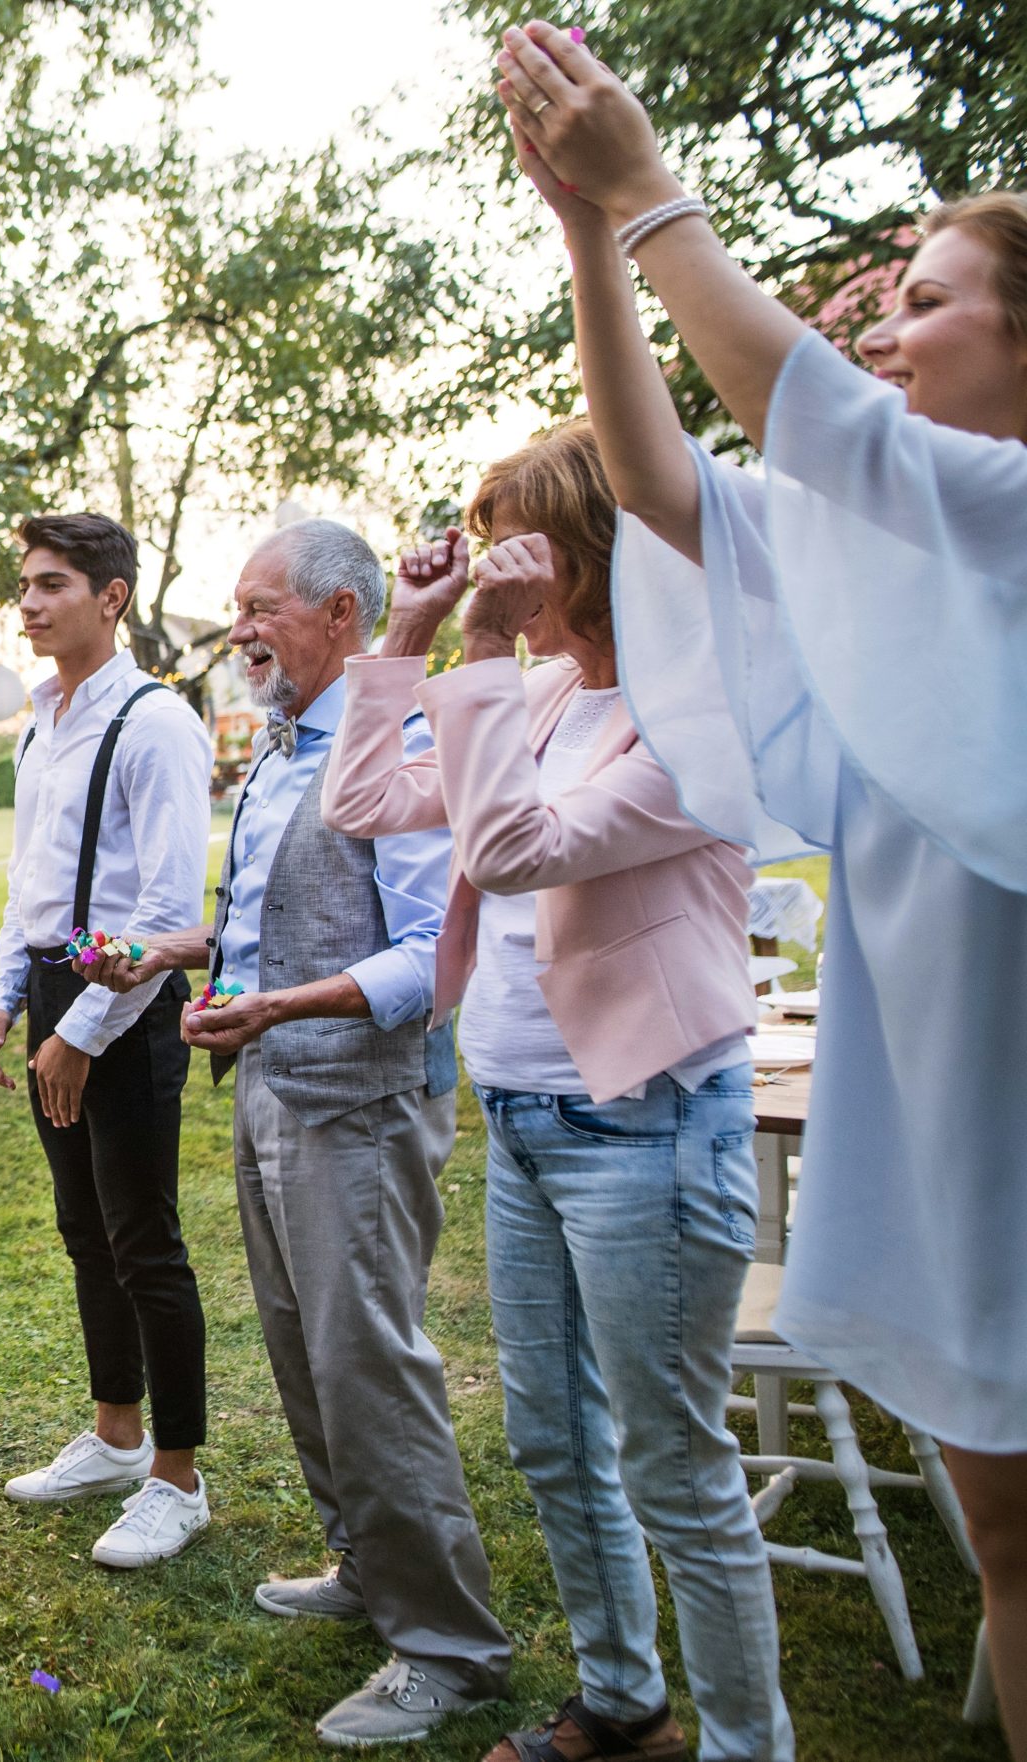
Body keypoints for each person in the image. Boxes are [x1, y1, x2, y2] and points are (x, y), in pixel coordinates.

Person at [498, 21, 1027, 1750]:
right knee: (1013, 1538)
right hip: (957, 1115)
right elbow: (661, 488)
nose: (885, 326)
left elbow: (821, 421)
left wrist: (655, 188)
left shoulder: (1005, 517)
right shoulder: (885, 558)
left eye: (928, 298)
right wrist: (589, 236)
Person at [320, 425, 785, 1762]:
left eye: (519, 545)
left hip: (644, 1125)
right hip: (521, 1118)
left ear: (590, 550)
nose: (496, 576)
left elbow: (514, 848)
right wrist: (407, 632)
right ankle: (623, 1704)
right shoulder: (533, 698)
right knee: (555, 1441)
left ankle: (754, 1743)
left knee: (675, 1470)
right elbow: (364, 798)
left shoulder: (691, 715)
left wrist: (472, 657)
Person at [101, 517, 499, 1746]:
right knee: (300, 1352)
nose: (243, 630)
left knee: (367, 1366)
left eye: (263, 606)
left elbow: (429, 959)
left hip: (365, 1105)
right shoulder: (276, 750)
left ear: (343, 614)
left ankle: (448, 1646)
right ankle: (364, 1567)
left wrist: (276, 1004)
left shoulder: (411, 743)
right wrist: (197, 953)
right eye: (239, 607)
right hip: (271, 1086)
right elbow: (287, 919)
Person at [0, 513, 217, 1569]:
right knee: (84, 1230)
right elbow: (33, 879)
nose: (28, 601)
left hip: (125, 996)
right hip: (52, 984)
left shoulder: (155, 721)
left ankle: (177, 1474)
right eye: (23, 584)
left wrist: (76, 1032)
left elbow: (165, 903)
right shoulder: (39, 721)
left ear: (110, 596)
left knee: (144, 1240)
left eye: (50, 583)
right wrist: (3, 994)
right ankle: (116, 1434)